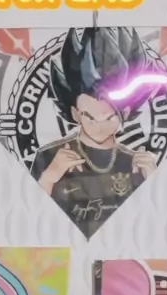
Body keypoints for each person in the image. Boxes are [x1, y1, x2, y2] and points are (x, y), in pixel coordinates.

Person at [31, 27, 158, 238]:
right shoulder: (48, 158)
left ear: (125, 113)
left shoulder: (137, 164)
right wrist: (48, 179)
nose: (99, 126)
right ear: (75, 113)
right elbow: (29, 221)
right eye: (90, 117)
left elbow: (154, 226)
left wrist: (153, 181)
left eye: (109, 118)